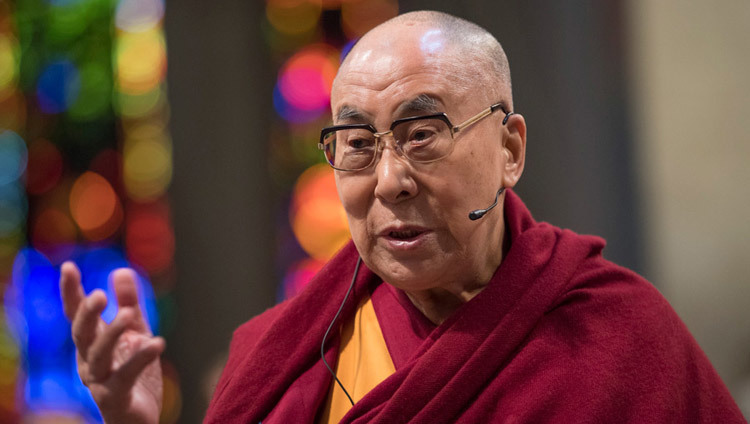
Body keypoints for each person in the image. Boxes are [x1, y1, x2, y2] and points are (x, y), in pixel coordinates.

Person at [60, 10, 745, 424]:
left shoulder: (619, 338)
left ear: (510, 148)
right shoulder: (279, 359)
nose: (390, 180)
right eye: (357, 145)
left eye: (423, 135)